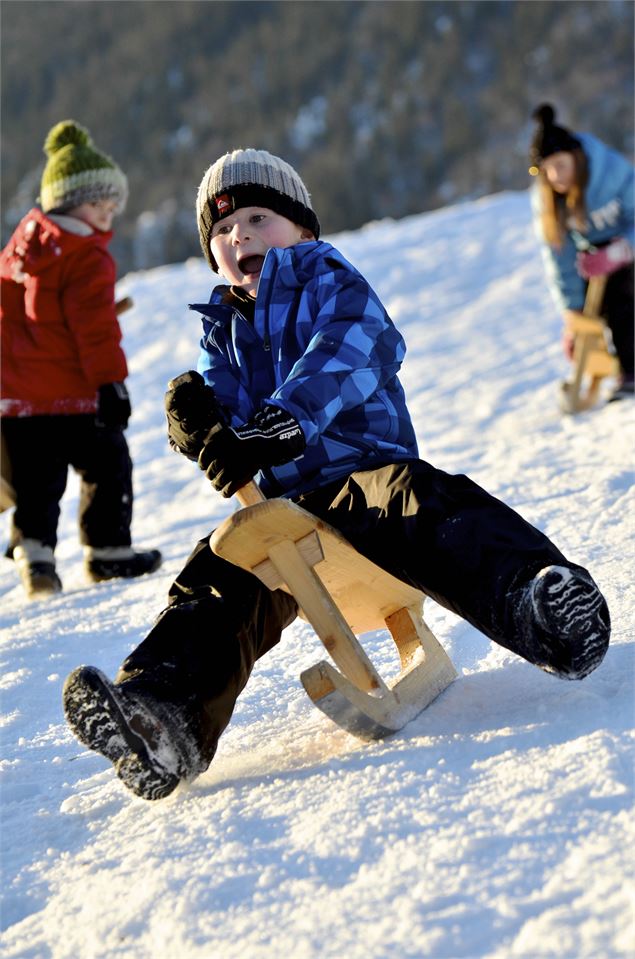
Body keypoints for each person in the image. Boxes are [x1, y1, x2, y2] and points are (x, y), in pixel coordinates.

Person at [63, 148, 610, 802]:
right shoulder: (223, 333)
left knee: (424, 502)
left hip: (366, 483)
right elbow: (230, 424)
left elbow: (358, 345)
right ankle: (163, 714)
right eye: (223, 231)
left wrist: (283, 421)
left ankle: (538, 603)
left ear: (301, 230)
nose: (240, 235)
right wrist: (200, 420)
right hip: (296, 521)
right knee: (221, 566)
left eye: (259, 218)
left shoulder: (326, 279)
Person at [0, 120, 162, 599]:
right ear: (71, 203)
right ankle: (108, 551)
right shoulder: (87, 256)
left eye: (112, 206)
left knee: (38, 483)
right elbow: (94, 330)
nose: (108, 215)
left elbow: (23, 322)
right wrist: (111, 384)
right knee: (108, 463)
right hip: (75, 396)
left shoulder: (19, 251)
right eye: (101, 204)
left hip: (20, 403)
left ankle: (36, 558)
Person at [528, 103, 634, 401]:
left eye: (560, 165)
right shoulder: (550, 202)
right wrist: (572, 318)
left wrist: (622, 251)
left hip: (627, 252)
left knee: (622, 295)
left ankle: (631, 370)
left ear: (576, 157)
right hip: (596, 261)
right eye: (546, 171)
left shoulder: (611, 173)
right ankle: (605, 364)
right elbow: (559, 261)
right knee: (592, 306)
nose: (555, 177)